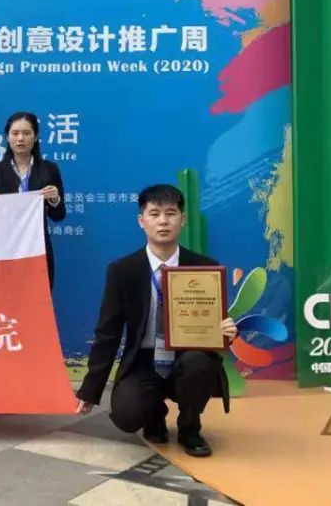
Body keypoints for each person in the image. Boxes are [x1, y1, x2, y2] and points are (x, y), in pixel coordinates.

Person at [75, 184, 239, 457]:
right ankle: (154, 415)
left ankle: (190, 427)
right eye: (154, 214)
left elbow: (216, 322)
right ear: (142, 221)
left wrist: (227, 331)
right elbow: (108, 334)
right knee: (127, 415)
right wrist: (90, 390)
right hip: (143, 362)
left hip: (187, 358)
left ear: (183, 219)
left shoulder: (204, 267)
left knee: (198, 363)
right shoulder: (122, 270)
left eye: (171, 213)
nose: (163, 221)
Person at [0, 111, 66, 288]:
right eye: (15, 133)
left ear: (36, 137)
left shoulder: (49, 169)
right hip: (3, 249)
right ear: (7, 137)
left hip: (38, 248)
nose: (20, 138)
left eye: (26, 133)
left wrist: (55, 200)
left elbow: (59, 215)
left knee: (39, 298)